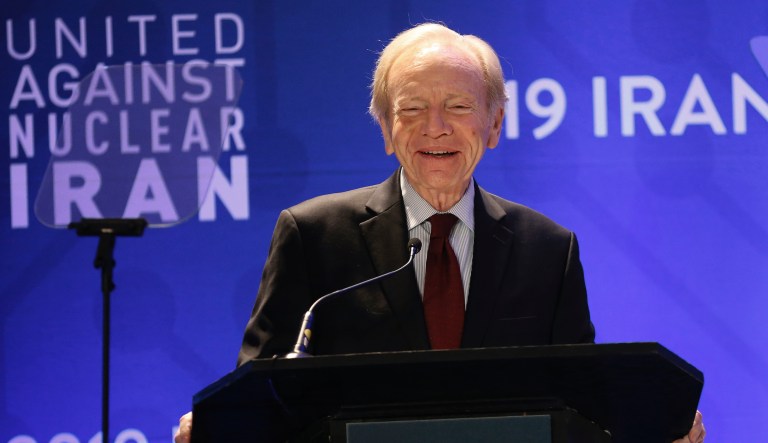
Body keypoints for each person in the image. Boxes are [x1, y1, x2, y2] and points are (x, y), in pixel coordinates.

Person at [175, 22, 705, 443]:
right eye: (411, 109)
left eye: (458, 106)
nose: (436, 127)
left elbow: (582, 407)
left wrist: (655, 435)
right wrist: (219, 430)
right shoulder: (314, 235)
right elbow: (262, 392)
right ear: (385, 129)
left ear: (494, 124)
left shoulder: (548, 249)